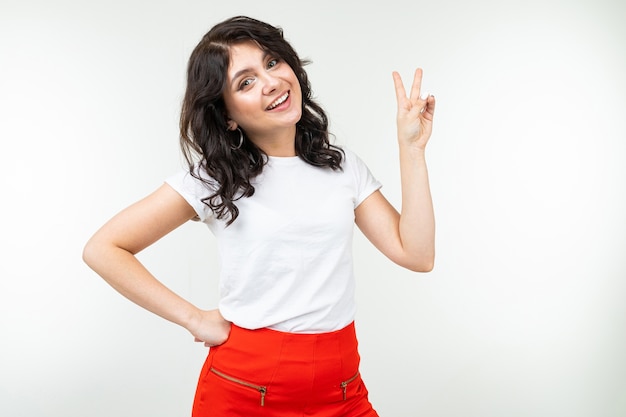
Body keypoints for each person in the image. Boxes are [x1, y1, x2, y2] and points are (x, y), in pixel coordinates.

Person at [82, 15, 436, 417]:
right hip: (247, 390)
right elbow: (104, 248)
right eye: (245, 82)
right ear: (227, 115)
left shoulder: (342, 168)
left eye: (271, 63)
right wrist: (194, 319)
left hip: (342, 388)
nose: (270, 82)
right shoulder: (215, 179)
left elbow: (417, 254)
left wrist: (413, 151)